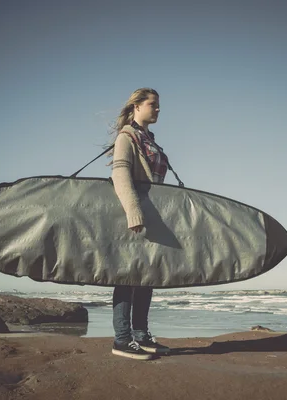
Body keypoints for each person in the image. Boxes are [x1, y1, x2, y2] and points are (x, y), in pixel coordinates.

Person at [109, 88, 172, 360]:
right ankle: (121, 340)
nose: (158, 109)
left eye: (158, 105)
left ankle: (141, 335)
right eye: (153, 104)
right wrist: (133, 212)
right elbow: (119, 171)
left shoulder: (149, 139)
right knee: (127, 275)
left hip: (152, 216)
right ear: (136, 106)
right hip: (134, 216)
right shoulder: (127, 136)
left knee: (146, 275)